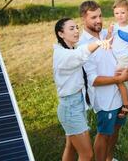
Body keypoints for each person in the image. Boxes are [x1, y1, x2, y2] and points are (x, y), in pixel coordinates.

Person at [78, 0, 128, 161]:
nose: (99, 20)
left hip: (119, 92)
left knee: (115, 129)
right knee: (104, 134)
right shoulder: (83, 46)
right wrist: (118, 78)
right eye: (93, 17)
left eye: (100, 16)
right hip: (104, 98)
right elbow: (92, 80)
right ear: (83, 19)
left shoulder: (106, 34)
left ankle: (109, 158)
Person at [53, 17, 111, 161]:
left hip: (76, 105)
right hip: (70, 108)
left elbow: (80, 53)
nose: (76, 31)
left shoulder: (70, 49)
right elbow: (80, 55)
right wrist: (97, 42)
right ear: (61, 34)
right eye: (71, 29)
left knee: (71, 147)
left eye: (77, 27)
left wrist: (107, 37)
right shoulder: (63, 55)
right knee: (87, 154)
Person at [107, 0, 128, 118]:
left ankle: (126, 105)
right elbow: (108, 42)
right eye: (117, 13)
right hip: (116, 57)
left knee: (118, 79)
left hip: (125, 58)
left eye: (122, 13)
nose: (119, 16)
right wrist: (110, 33)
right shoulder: (114, 27)